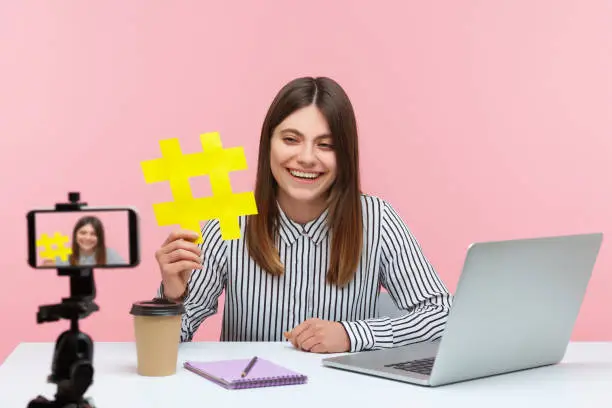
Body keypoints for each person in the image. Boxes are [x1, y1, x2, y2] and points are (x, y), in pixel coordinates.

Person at [155, 76, 453, 354]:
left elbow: (442, 313)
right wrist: (171, 297)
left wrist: (352, 335)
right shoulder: (228, 223)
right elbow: (166, 344)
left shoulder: (377, 220)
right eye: (291, 140)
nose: (307, 158)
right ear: (267, 144)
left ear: (345, 155)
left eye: (326, 145)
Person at [53, 216, 125, 266]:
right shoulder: (62, 255)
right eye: (83, 233)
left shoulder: (110, 254)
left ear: (99, 237)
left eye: (93, 234)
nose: (87, 238)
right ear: (75, 235)